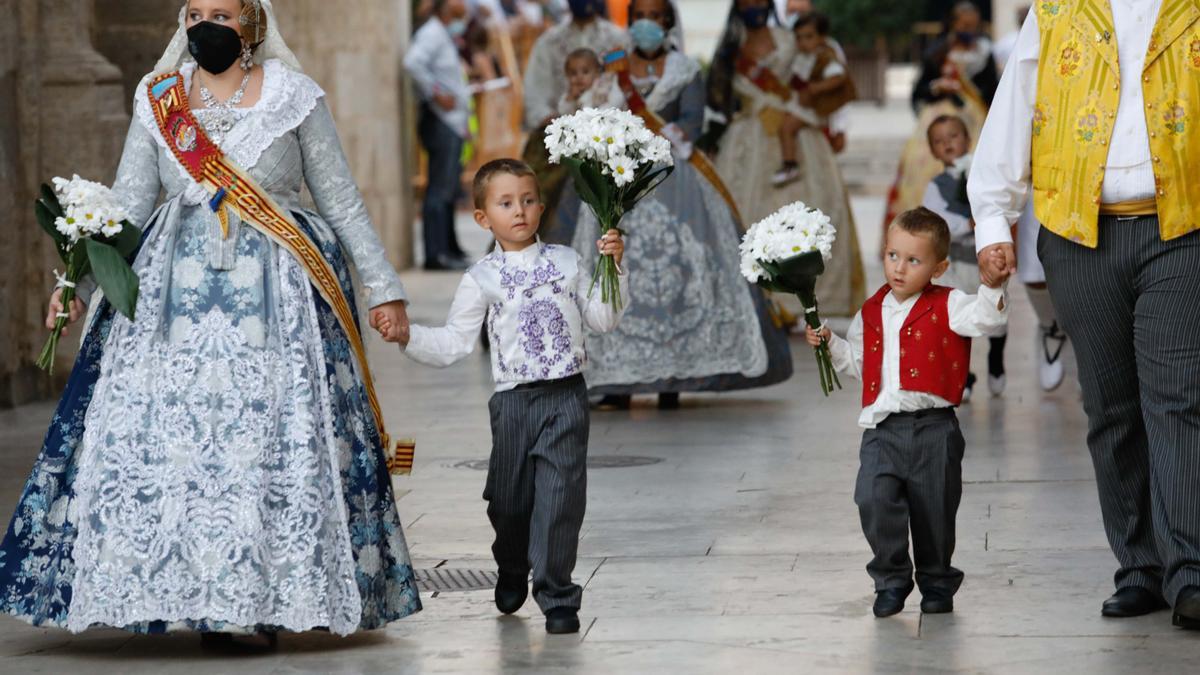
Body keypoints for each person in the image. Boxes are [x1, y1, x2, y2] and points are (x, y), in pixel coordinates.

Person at [2, 0, 421, 645]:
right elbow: (128, 204)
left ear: (253, 23)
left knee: (266, 445)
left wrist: (383, 287)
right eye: (195, 12)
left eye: (222, 13)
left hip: (279, 301)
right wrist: (76, 285)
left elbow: (338, 196)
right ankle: (189, 595)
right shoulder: (159, 97)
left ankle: (258, 599)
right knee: (178, 450)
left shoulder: (295, 96)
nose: (206, 25)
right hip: (170, 308)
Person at [968, 0, 1200, 628]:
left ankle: (1191, 573)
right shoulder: (1054, 12)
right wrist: (994, 219)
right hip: (1079, 236)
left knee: (1178, 399)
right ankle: (1141, 569)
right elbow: (1014, 113)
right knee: (1109, 405)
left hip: (1182, 230)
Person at [388, 159, 627, 634]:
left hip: (566, 397)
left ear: (541, 206)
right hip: (514, 403)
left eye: (527, 199)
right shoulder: (482, 278)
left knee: (561, 500)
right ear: (483, 217)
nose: (518, 210)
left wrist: (614, 268)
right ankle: (512, 564)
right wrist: (406, 335)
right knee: (510, 503)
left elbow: (603, 319)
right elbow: (456, 342)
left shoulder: (567, 261)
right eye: (505, 203)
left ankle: (558, 595)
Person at [571, 0, 793, 410]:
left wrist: (657, 143)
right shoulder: (613, 67)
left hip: (674, 178)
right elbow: (594, 116)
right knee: (614, 270)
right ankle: (618, 383)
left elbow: (691, 123)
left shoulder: (685, 70)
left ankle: (672, 376)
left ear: (669, 24)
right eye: (639, 17)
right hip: (618, 182)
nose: (646, 25)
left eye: (655, 18)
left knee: (678, 269)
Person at [807, 207, 1010, 618]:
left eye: (913, 260)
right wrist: (830, 344)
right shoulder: (871, 310)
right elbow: (861, 364)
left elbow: (985, 318)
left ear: (939, 267)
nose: (899, 268)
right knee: (873, 499)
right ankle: (891, 579)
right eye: (892, 256)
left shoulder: (949, 303)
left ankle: (936, 582)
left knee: (934, 511)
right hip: (882, 431)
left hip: (935, 430)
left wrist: (991, 287)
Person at [703, 0, 865, 317]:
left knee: (807, 216)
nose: (755, 6)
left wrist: (833, 121)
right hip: (746, 142)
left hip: (797, 136)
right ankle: (757, 304)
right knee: (745, 217)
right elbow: (718, 100)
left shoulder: (792, 39)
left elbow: (828, 69)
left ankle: (799, 302)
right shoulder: (730, 50)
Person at [881, 0, 996, 249]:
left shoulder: (984, 52)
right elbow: (921, 87)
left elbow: (992, 90)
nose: (969, 29)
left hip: (973, 120)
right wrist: (938, 86)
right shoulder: (938, 51)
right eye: (964, 24)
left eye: (973, 25)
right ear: (953, 24)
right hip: (938, 116)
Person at [520, 0, 627, 245]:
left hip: (608, 136)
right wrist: (559, 125)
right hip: (558, 133)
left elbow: (626, 88)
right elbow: (535, 94)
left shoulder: (617, 38)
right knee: (533, 187)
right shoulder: (548, 42)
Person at [920, 114, 1007, 399]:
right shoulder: (936, 186)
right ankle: (964, 374)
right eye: (939, 141)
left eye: (953, 137)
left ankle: (996, 360)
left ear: (968, 140)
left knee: (996, 310)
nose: (947, 144)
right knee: (958, 317)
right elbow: (936, 221)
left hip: (987, 257)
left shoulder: (983, 174)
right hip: (956, 262)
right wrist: (964, 225)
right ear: (932, 149)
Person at [405, 0, 473, 270]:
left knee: (448, 189)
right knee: (439, 190)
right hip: (440, 119)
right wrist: (436, 93)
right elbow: (412, 63)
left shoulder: (443, 32)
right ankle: (436, 254)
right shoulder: (431, 33)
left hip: (452, 122)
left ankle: (449, 248)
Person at [772, 11, 855, 186]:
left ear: (822, 37)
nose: (803, 43)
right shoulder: (802, 57)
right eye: (799, 38)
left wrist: (815, 89)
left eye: (809, 37)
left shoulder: (825, 58)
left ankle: (789, 165)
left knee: (786, 128)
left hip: (813, 109)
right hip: (799, 104)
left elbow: (838, 78)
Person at [556, 48, 623, 114]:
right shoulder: (571, 93)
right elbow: (562, 112)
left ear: (597, 72)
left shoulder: (605, 84)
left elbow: (618, 98)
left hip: (606, 119)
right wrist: (570, 98)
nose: (579, 77)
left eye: (585, 72)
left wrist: (600, 113)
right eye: (573, 73)